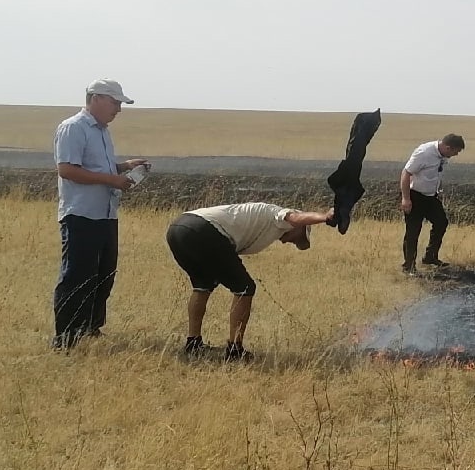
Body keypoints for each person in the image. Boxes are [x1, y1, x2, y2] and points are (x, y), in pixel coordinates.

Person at [165, 202, 335, 360]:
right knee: (245, 288)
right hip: (203, 230)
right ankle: (235, 351)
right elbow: (296, 218)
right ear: (299, 226)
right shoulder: (279, 215)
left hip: (178, 229)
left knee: (203, 285)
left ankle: (193, 345)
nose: (289, 242)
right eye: (298, 238)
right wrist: (325, 217)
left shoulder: (264, 222)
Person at [52, 79, 148, 349]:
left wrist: (124, 167)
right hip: (81, 214)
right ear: (96, 98)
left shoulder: (102, 131)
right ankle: (66, 336)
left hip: (105, 214)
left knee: (104, 273)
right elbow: (67, 170)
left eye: (120, 103)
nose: (118, 109)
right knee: (77, 275)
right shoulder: (73, 128)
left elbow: (97, 167)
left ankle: (90, 328)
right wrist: (111, 180)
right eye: (115, 102)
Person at [400, 133, 466, 273]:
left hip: (431, 197)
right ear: (448, 148)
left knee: (441, 222)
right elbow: (406, 173)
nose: (456, 154)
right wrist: (406, 199)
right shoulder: (424, 153)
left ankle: (430, 257)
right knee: (413, 232)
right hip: (415, 196)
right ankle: (409, 266)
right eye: (456, 151)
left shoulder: (442, 155)